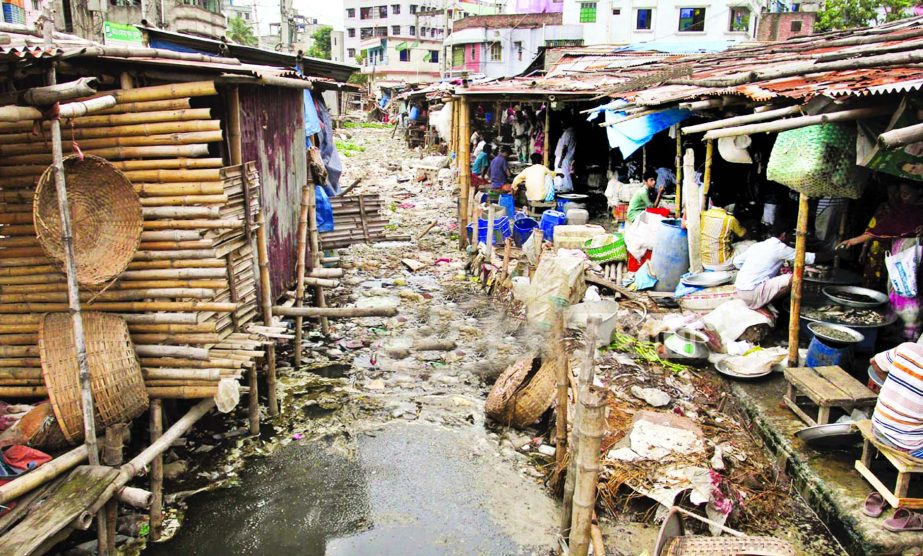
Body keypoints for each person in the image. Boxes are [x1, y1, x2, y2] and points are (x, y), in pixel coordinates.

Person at [839, 183, 923, 339]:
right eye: (901, 193)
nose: (903, 198)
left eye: (907, 194)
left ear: (919, 192)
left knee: (913, 291)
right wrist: (854, 241)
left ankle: (910, 333)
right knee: (896, 289)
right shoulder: (901, 210)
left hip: (915, 259)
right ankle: (896, 329)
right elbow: (881, 228)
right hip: (899, 257)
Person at [733, 224, 820, 310]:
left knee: (781, 274)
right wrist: (832, 253)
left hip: (740, 290)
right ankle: (780, 306)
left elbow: (736, 262)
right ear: (784, 235)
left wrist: (751, 271)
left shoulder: (758, 245)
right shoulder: (780, 248)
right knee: (794, 278)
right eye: (789, 236)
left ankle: (769, 299)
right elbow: (810, 258)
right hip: (752, 295)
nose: (790, 239)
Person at [870, 342, 923, 455]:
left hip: (878, 429)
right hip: (908, 446)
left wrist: (896, 386)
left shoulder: (907, 348)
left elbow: (874, 363)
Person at [700, 196, 747, 270]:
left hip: (704, 262)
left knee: (733, 245)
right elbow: (743, 234)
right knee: (750, 244)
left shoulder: (702, 215)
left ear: (711, 202)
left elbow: (683, 224)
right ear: (727, 204)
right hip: (723, 264)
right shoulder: (730, 219)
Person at [553, 126, 576, 193]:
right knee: (564, 174)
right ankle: (565, 189)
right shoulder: (571, 132)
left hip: (563, 158)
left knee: (563, 174)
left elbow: (565, 147)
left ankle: (566, 190)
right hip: (566, 157)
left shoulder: (568, 132)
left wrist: (561, 160)